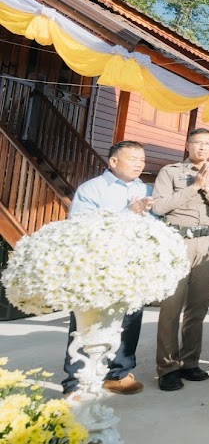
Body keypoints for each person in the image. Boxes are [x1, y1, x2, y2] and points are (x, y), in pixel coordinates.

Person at [62, 140, 155, 396]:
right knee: (88, 321)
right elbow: (81, 225)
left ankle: (118, 373)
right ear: (113, 161)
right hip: (98, 267)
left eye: (142, 160)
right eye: (133, 159)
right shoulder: (92, 189)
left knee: (130, 319)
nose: (139, 164)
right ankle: (75, 382)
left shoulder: (143, 188)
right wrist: (128, 211)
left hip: (132, 264)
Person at [151, 128, 209, 392]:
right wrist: (194, 187)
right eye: (197, 142)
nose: (202, 148)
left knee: (198, 307)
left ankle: (189, 362)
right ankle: (167, 367)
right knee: (171, 306)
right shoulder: (170, 172)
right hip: (178, 242)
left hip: (208, 242)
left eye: (207, 144)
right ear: (188, 144)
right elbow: (159, 207)